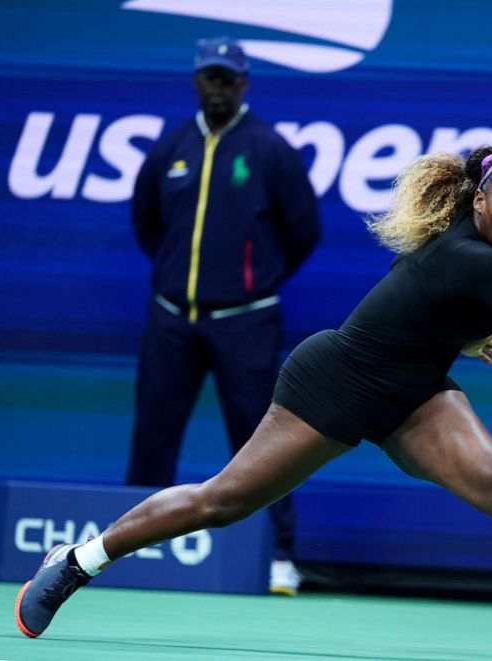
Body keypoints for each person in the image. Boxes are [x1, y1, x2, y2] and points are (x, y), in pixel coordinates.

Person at [15, 146, 492, 660]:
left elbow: (416, 306)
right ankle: (77, 560)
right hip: (333, 385)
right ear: (480, 200)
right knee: (223, 501)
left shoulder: (466, 257)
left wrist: (462, 338)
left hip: (414, 397)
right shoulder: (474, 259)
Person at [126, 37, 320, 595]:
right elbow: (147, 225)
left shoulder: (270, 149)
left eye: (227, 78)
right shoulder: (170, 149)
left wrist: (254, 281)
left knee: (265, 443)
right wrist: (176, 276)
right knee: (152, 440)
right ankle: (131, 552)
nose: (218, 86)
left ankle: (279, 555)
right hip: (170, 320)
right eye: (209, 77)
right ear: (196, 81)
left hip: (246, 321)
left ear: (244, 83)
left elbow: (303, 229)